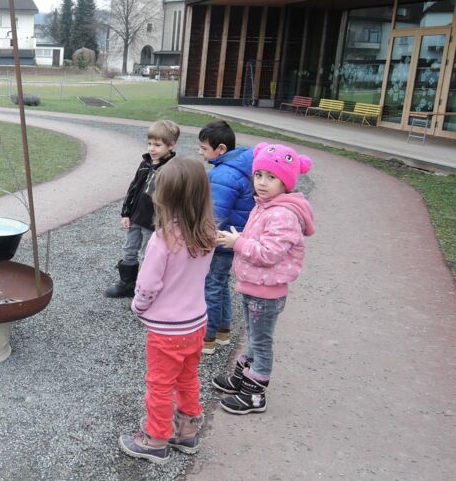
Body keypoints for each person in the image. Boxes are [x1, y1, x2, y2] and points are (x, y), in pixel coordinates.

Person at [118, 157, 216, 464]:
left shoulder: (162, 240)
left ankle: (155, 439)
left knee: (159, 385)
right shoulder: (208, 233)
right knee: (187, 378)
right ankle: (186, 432)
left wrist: (138, 306)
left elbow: (148, 285)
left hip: (166, 330)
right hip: (196, 322)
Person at [214, 142, 315, 414]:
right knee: (254, 337)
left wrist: (237, 243)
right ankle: (243, 376)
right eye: (259, 175)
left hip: (266, 291)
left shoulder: (282, 213)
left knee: (261, 341)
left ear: (287, 182)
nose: (262, 182)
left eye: (272, 177)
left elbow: (269, 254)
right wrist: (239, 239)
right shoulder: (266, 206)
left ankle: (256, 394)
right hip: (253, 286)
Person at [197, 120, 255, 355]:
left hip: (221, 240)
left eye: (203, 148)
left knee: (211, 286)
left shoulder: (223, 174)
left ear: (220, 149)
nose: (200, 152)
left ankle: (207, 337)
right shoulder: (239, 167)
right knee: (220, 285)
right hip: (233, 237)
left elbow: (215, 213)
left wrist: (202, 237)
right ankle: (222, 331)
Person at [105, 119, 180, 298]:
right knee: (129, 249)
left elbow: (172, 200)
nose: (152, 149)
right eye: (149, 144)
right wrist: (125, 212)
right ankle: (127, 284)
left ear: (171, 146)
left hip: (153, 222)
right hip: (136, 218)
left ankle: (146, 291)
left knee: (149, 255)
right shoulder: (145, 163)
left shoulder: (172, 169)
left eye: (157, 145)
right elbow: (133, 188)